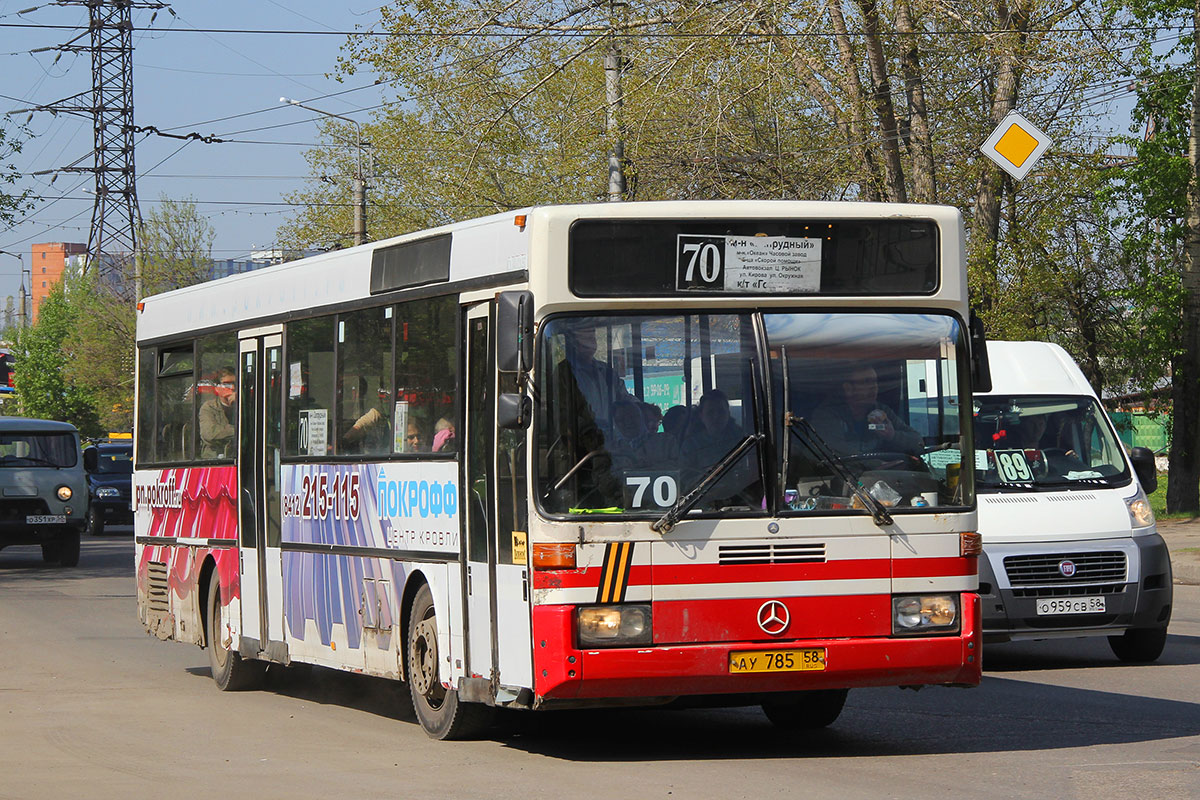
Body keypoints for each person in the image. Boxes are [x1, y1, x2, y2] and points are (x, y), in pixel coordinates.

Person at [809, 365, 923, 456]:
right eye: (866, 382)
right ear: (848, 389)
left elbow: (918, 443)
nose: (874, 387)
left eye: (875, 381)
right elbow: (837, 452)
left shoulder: (882, 411)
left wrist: (892, 435)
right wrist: (875, 465)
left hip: (884, 479)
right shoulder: (827, 415)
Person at [199, 367, 237, 459]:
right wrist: (239, 430)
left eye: (235, 384)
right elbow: (210, 434)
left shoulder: (246, 406)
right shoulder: (209, 407)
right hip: (215, 460)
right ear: (217, 388)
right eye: (227, 384)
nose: (232, 388)